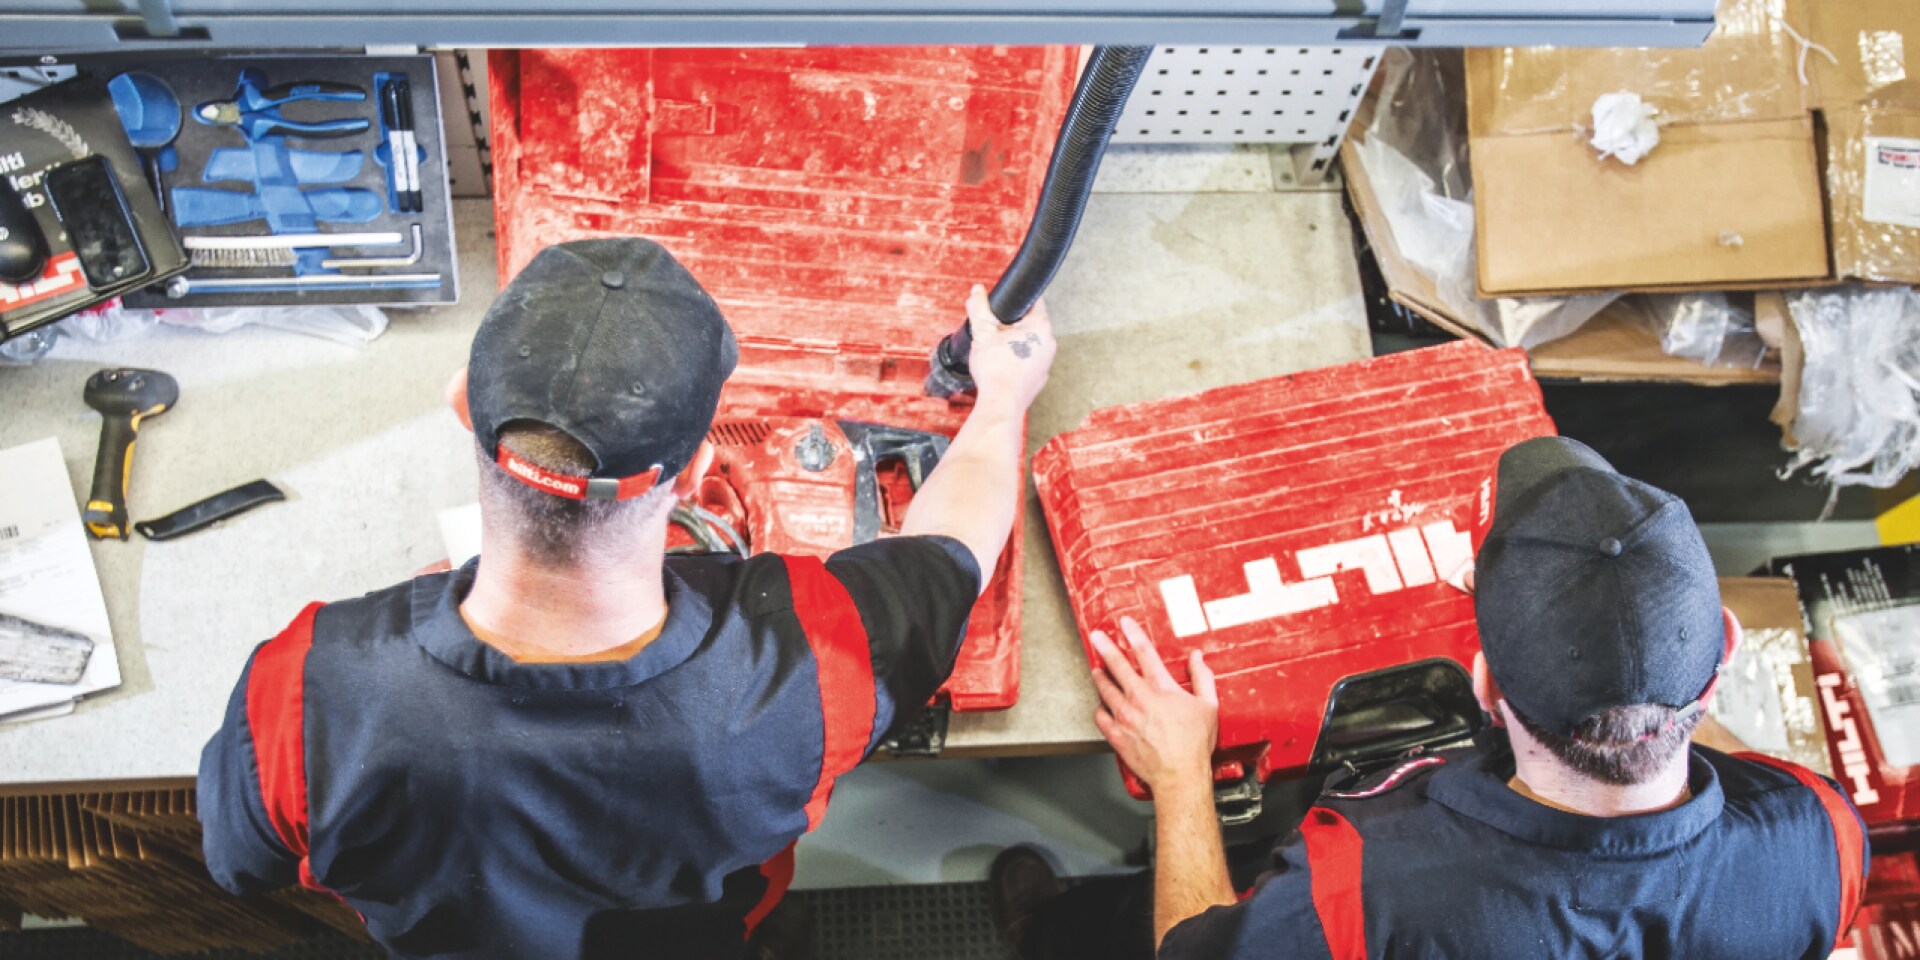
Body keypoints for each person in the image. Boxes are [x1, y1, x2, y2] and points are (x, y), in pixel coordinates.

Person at [197, 238, 1056, 960]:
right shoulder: (813, 664)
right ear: (694, 473)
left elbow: (241, 867)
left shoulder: (301, 695)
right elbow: (952, 554)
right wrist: (1004, 398)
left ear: (464, 407)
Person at [993, 436, 1868, 959]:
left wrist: (1183, 778)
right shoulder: (1824, 842)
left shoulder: (1362, 892)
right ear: (1724, 653)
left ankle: (1050, 934)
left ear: (1483, 684)